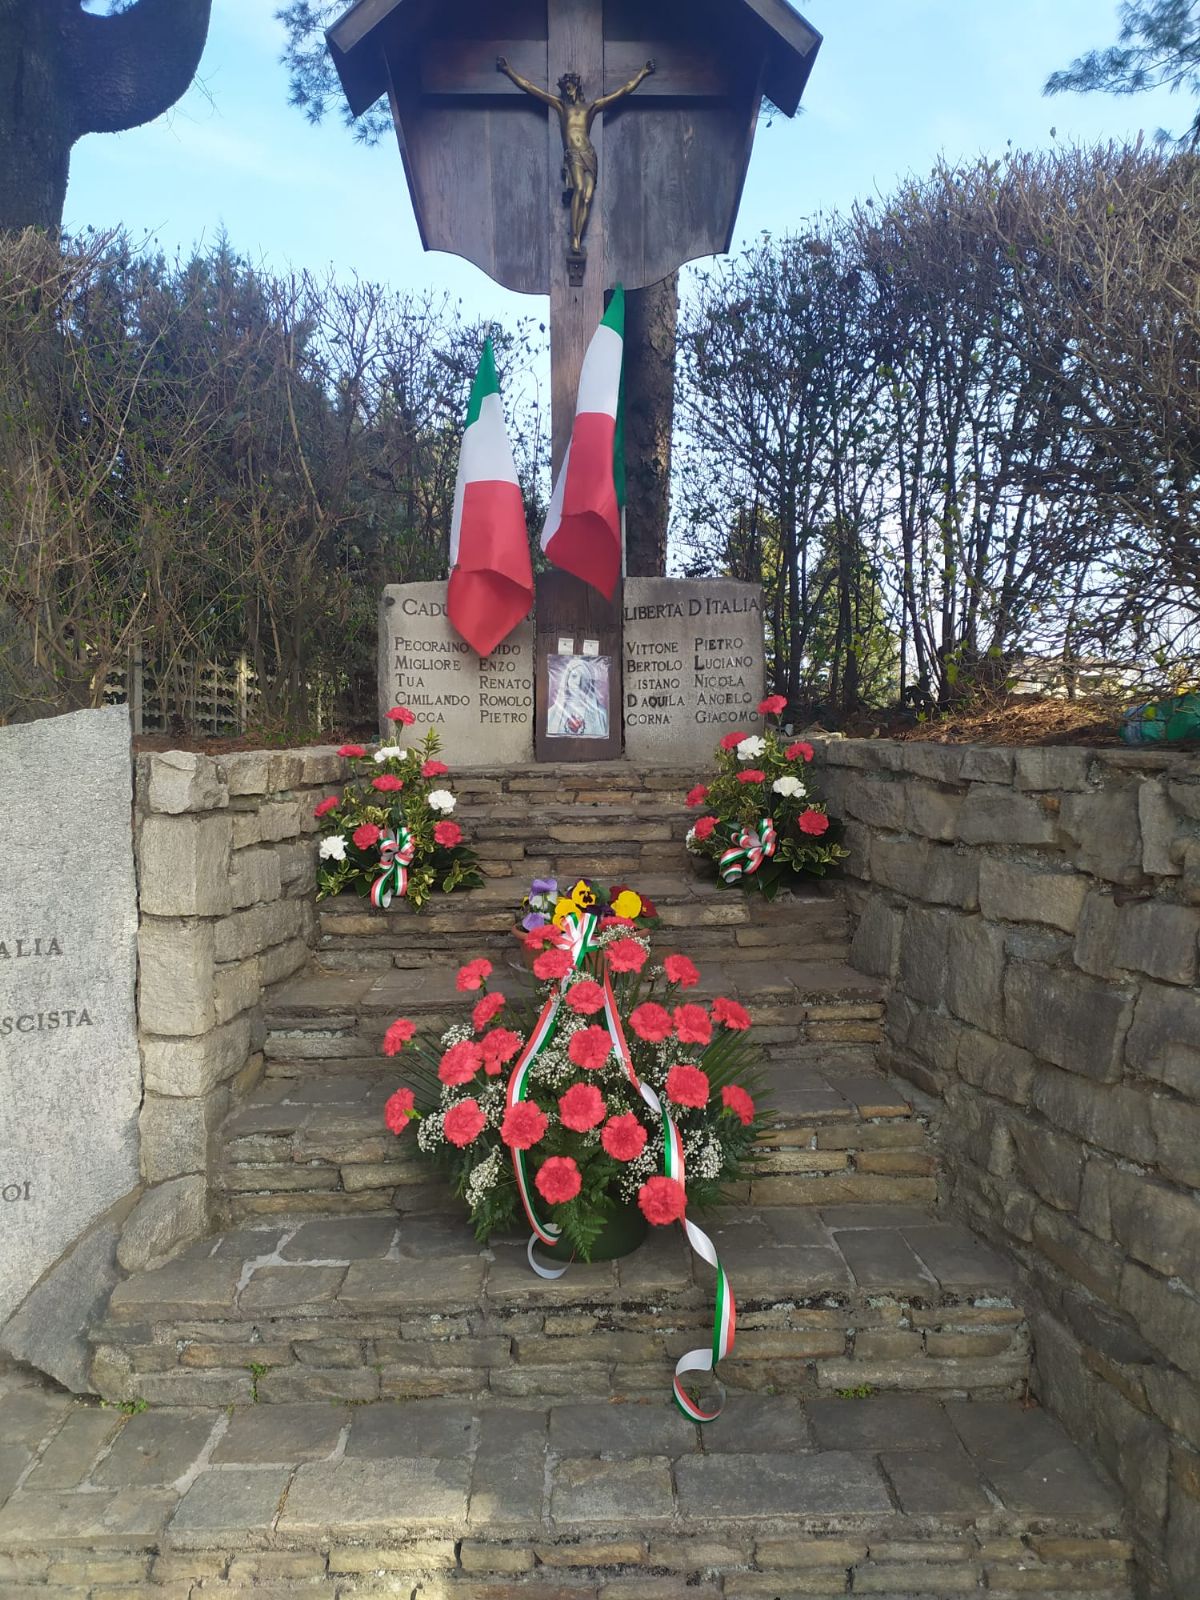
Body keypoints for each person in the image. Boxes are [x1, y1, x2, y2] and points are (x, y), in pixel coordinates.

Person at [497, 56, 655, 255]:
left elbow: (623, 91)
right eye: (565, 89)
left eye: (570, 88)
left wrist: (643, 73)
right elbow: (529, 87)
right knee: (579, 189)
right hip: (573, 155)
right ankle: (573, 239)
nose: (567, 92)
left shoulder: (591, 108)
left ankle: (579, 235)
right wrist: (508, 70)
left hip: (589, 154)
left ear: (577, 88)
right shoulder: (561, 107)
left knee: (587, 198)